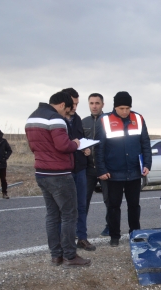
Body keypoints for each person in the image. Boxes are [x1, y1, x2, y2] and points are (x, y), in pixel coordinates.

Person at [25, 91, 91, 268]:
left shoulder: (32, 118)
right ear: (62, 105)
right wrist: (76, 143)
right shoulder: (56, 119)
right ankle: (70, 255)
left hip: (42, 172)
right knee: (69, 215)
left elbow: (34, 146)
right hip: (59, 174)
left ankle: (56, 256)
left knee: (52, 215)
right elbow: (63, 145)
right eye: (68, 109)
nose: (67, 114)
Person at [95, 91, 152, 247]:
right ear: (115, 107)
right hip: (113, 173)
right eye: (121, 108)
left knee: (134, 206)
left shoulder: (138, 119)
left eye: (127, 108)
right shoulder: (105, 120)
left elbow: (145, 143)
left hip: (134, 172)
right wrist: (101, 169)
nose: (125, 111)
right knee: (114, 207)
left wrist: (147, 164)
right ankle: (114, 236)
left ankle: (135, 233)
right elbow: (99, 148)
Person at [62, 88, 95, 252]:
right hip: (63, 170)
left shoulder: (77, 119)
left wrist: (85, 150)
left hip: (80, 168)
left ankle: (82, 238)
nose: (74, 107)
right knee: (65, 208)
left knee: (81, 205)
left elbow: (79, 140)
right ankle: (65, 242)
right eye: (72, 103)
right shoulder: (56, 119)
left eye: (77, 104)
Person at [82, 93, 110, 237]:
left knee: (109, 199)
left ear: (102, 104)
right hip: (88, 169)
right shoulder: (83, 122)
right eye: (91, 103)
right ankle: (80, 230)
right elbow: (77, 142)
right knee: (83, 199)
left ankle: (110, 227)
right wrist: (82, 150)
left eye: (97, 103)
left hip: (105, 168)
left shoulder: (109, 121)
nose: (94, 106)